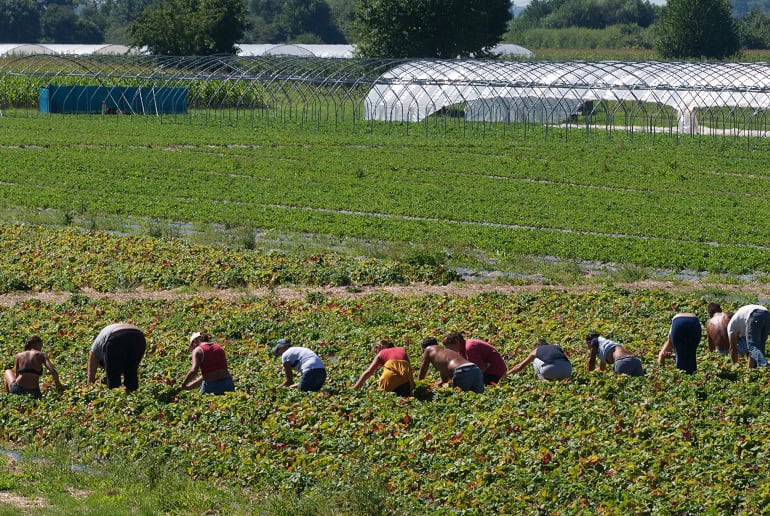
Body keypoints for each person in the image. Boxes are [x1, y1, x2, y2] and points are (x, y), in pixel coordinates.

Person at [87, 323, 146, 392]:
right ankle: (131, 398)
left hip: (117, 337)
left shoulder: (95, 352)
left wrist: (90, 386)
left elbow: (91, 371)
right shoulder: (102, 343)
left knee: (113, 381)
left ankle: (118, 400)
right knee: (131, 373)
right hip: (139, 337)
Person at [417, 337, 484, 393]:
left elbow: (422, 371)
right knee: (477, 397)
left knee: (460, 398)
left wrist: (418, 387)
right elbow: (444, 378)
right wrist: (437, 384)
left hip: (462, 371)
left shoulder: (428, 349)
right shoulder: (444, 352)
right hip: (475, 369)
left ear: (424, 349)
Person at [727, 304, 770, 368]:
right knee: (760, 347)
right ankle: (760, 369)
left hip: (754, 315)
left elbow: (733, 348)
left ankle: (766, 366)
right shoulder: (740, 323)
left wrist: (734, 365)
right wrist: (750, 368)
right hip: (766, 314)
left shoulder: (731, 327)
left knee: (753, 347)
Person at [508, 338, 572, 381]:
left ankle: (542, 381)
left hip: (550, 370)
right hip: (568, 369)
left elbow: (519, 366)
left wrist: (507, 374)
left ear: (537, 346)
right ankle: (562, 380)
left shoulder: (536, 350)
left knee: (535, 360)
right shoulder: (556, 347)